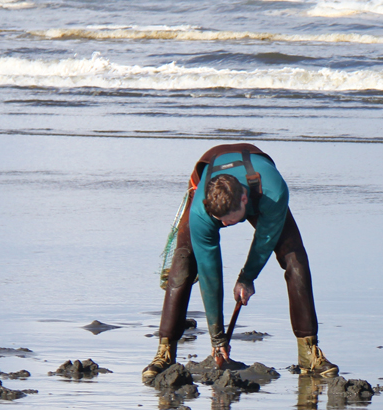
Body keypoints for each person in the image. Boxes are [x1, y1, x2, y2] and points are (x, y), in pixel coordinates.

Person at [142, 143, 338, 382]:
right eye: (219, 221)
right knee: (183, 263)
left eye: (228, 221)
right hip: (208, 172)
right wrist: (217, 338)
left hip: (262, 187)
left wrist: (247, 277)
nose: (224, 226)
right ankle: (164, 352)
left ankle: (310, 353)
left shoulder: (274, 194)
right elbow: (209, 271)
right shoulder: (201, 212)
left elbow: (264, 241)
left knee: (295, 260)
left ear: (244, 200)